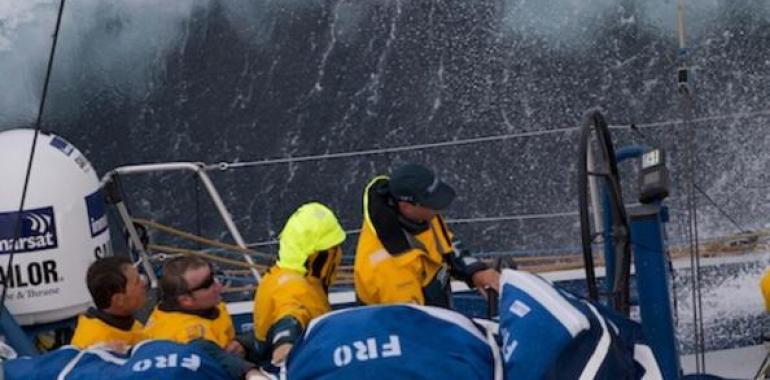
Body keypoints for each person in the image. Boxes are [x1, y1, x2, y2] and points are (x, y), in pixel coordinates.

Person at [354, 163, 500, 308]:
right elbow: (412, 324)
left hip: (435, 308)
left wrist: (475, 271)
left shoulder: (422, 214)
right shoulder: (388, 269)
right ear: (406, 206)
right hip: (404, 323)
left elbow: (444, 241)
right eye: (432, 204)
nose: (438, 210)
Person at [253, 202, 346, 365]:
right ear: (319, 255)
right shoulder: (294, 288)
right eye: (335, 247)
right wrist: (284, 346)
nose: (339, 253)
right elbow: (290, 316)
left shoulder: (279, 274)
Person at [144, 256, 243, 354]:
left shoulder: (205, 305)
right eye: (207, 284)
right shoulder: (187, 339)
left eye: (213, 276)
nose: (218, 285)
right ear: (186, 300)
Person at [70, 256, 147, 350]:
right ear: (119, 300)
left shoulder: (126, 322)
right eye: (137, 282)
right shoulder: (94, 346)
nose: (143, 284)